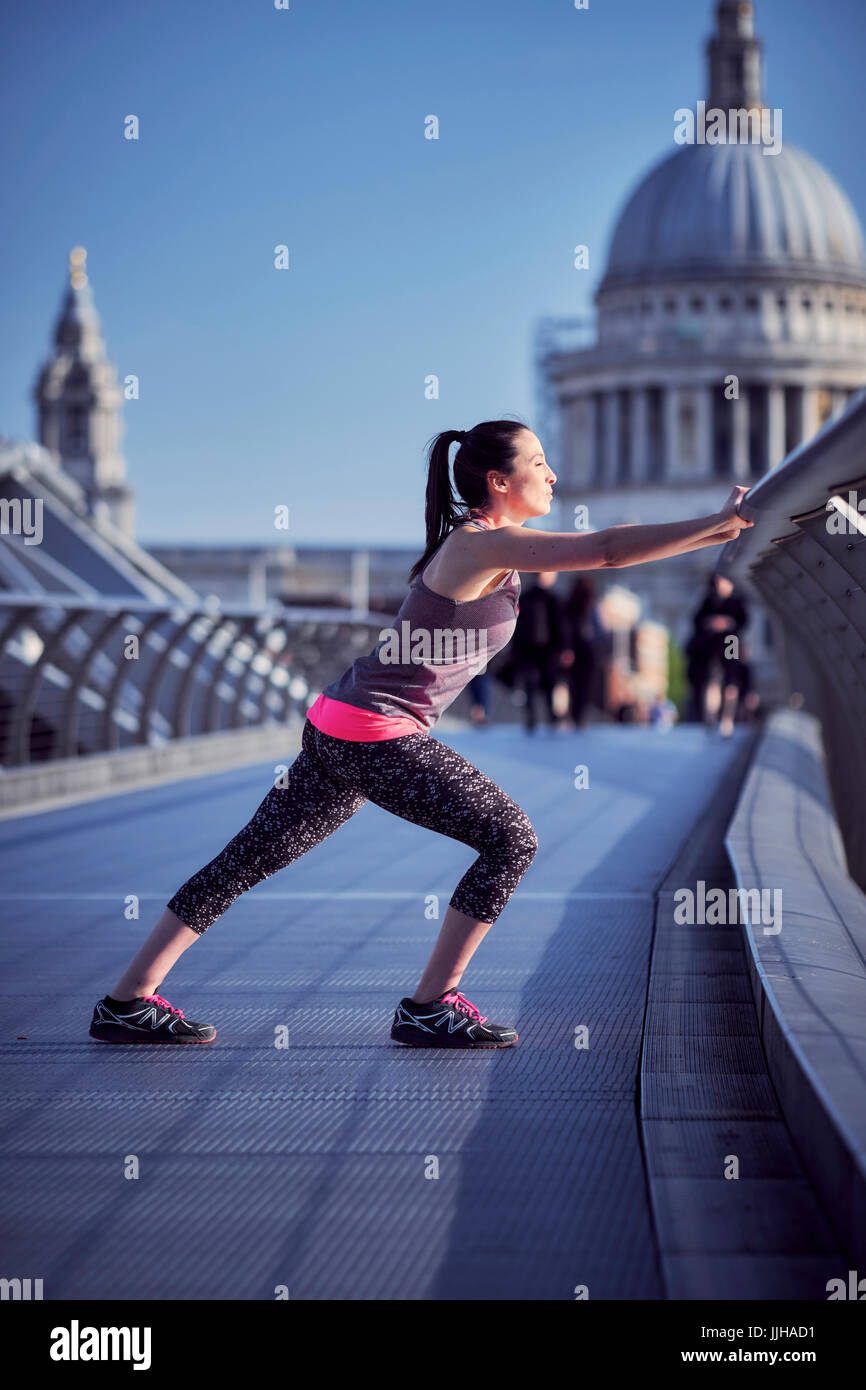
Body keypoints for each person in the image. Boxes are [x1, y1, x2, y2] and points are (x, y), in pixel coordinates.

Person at [88, 420, 753, 1050]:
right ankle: (433, 1005)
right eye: (539, 464)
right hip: (373, 732)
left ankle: (127, 1002)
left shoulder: (479, 541)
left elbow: (609, 550)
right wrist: (719, 525)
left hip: (338, 724)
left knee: (247, 860)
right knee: (510, 838)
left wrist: (717, 533)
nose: (554, 477)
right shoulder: (480, 543)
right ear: (498, 481)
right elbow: (607, 551)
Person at [685, 573, 748, 730]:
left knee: (731, 680)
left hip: (730, 642)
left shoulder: (736, 600)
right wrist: (711, 623)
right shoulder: (708, 600)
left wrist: (727, 623)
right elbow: (696, 621)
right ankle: (711, 717)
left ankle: (728, 718)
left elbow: (743, 621)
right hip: (711, 644)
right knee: (711, 679)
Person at [511, 572, 568, 732]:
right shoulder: (548, 598)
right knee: (541, 685)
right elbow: (561, 626)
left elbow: (560, 626)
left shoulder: (533, 598)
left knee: (541, 685)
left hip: (539, 650)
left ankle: (542, 718)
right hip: (539, 650)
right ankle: (542, 718)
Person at [562, 576, 605, 727]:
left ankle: (576, 715)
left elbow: (565, 629)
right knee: (584, 686)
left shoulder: (571, 605)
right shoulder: (592, 606)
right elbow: (600, 630)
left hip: (577, 652)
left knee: (577, 686)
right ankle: (579, 716)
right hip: (588, 652)